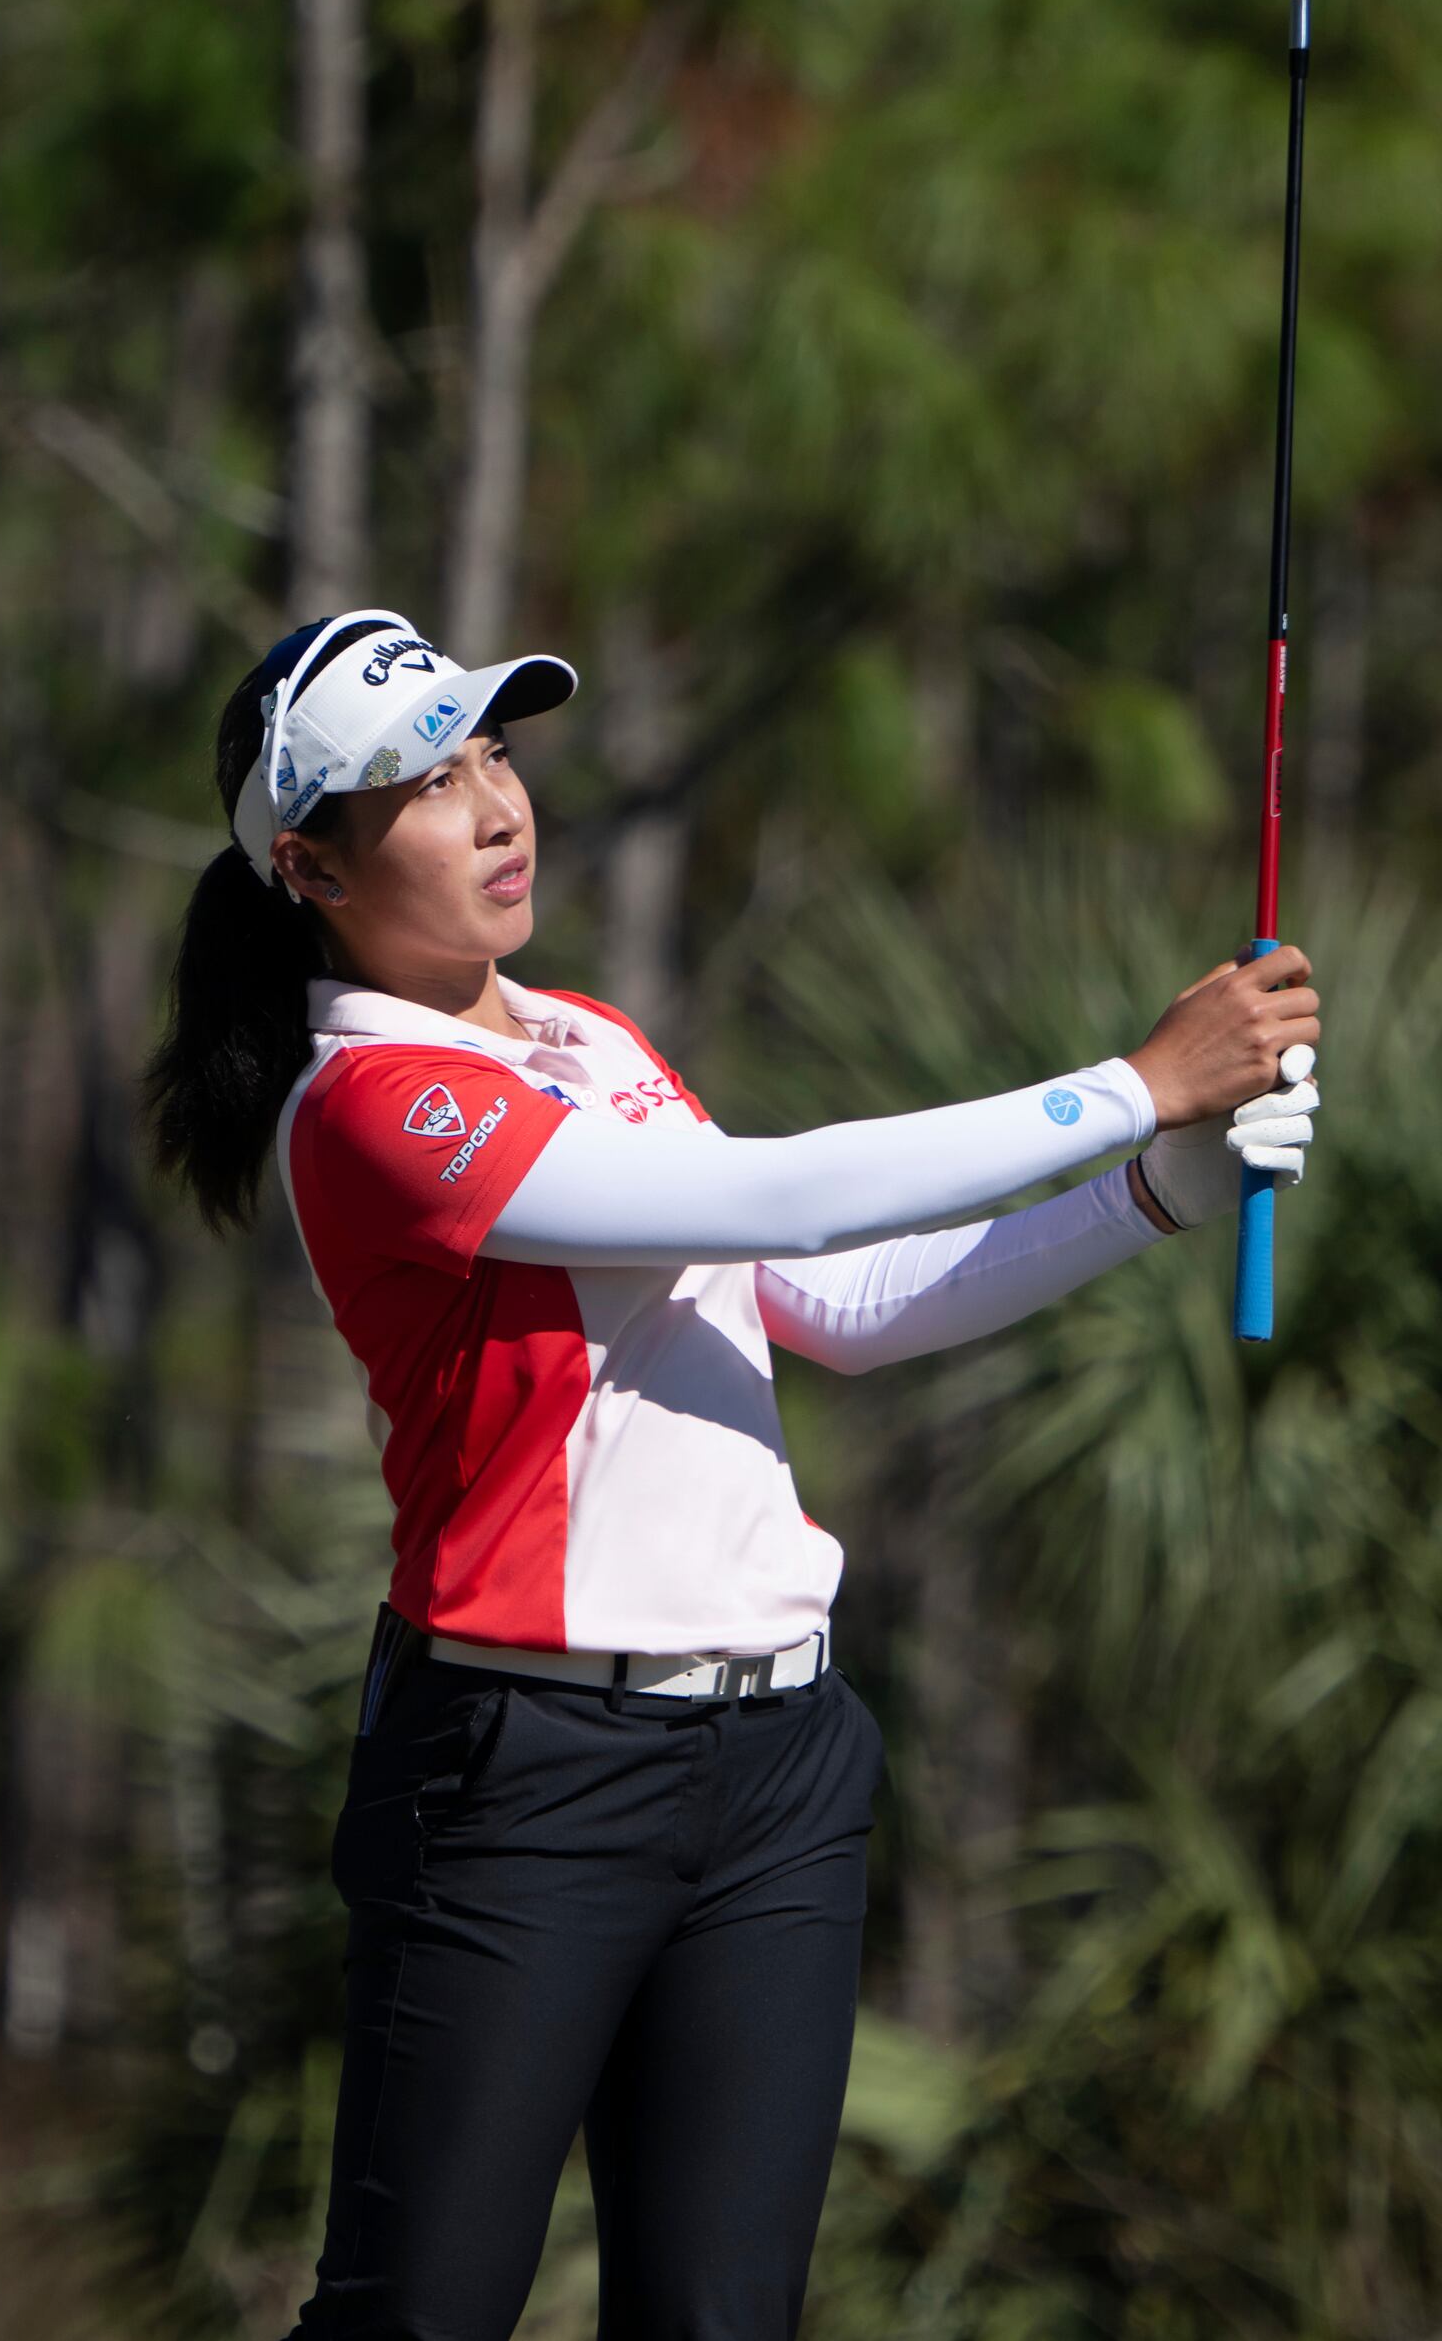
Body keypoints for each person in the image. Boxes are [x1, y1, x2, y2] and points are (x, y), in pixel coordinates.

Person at [142, 607, 1321, 2341]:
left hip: (777, 1769)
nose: (493, 807)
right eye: (424, 780)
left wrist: (1160, 1192)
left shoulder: (594, 1042)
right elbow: (787, 1199)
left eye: (494, 753)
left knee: (722, 2319)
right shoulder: (374, 1103)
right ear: (308, 867)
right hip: (522, 1775)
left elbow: (832, 1304)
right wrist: (1134, 1089)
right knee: (420, 2314)